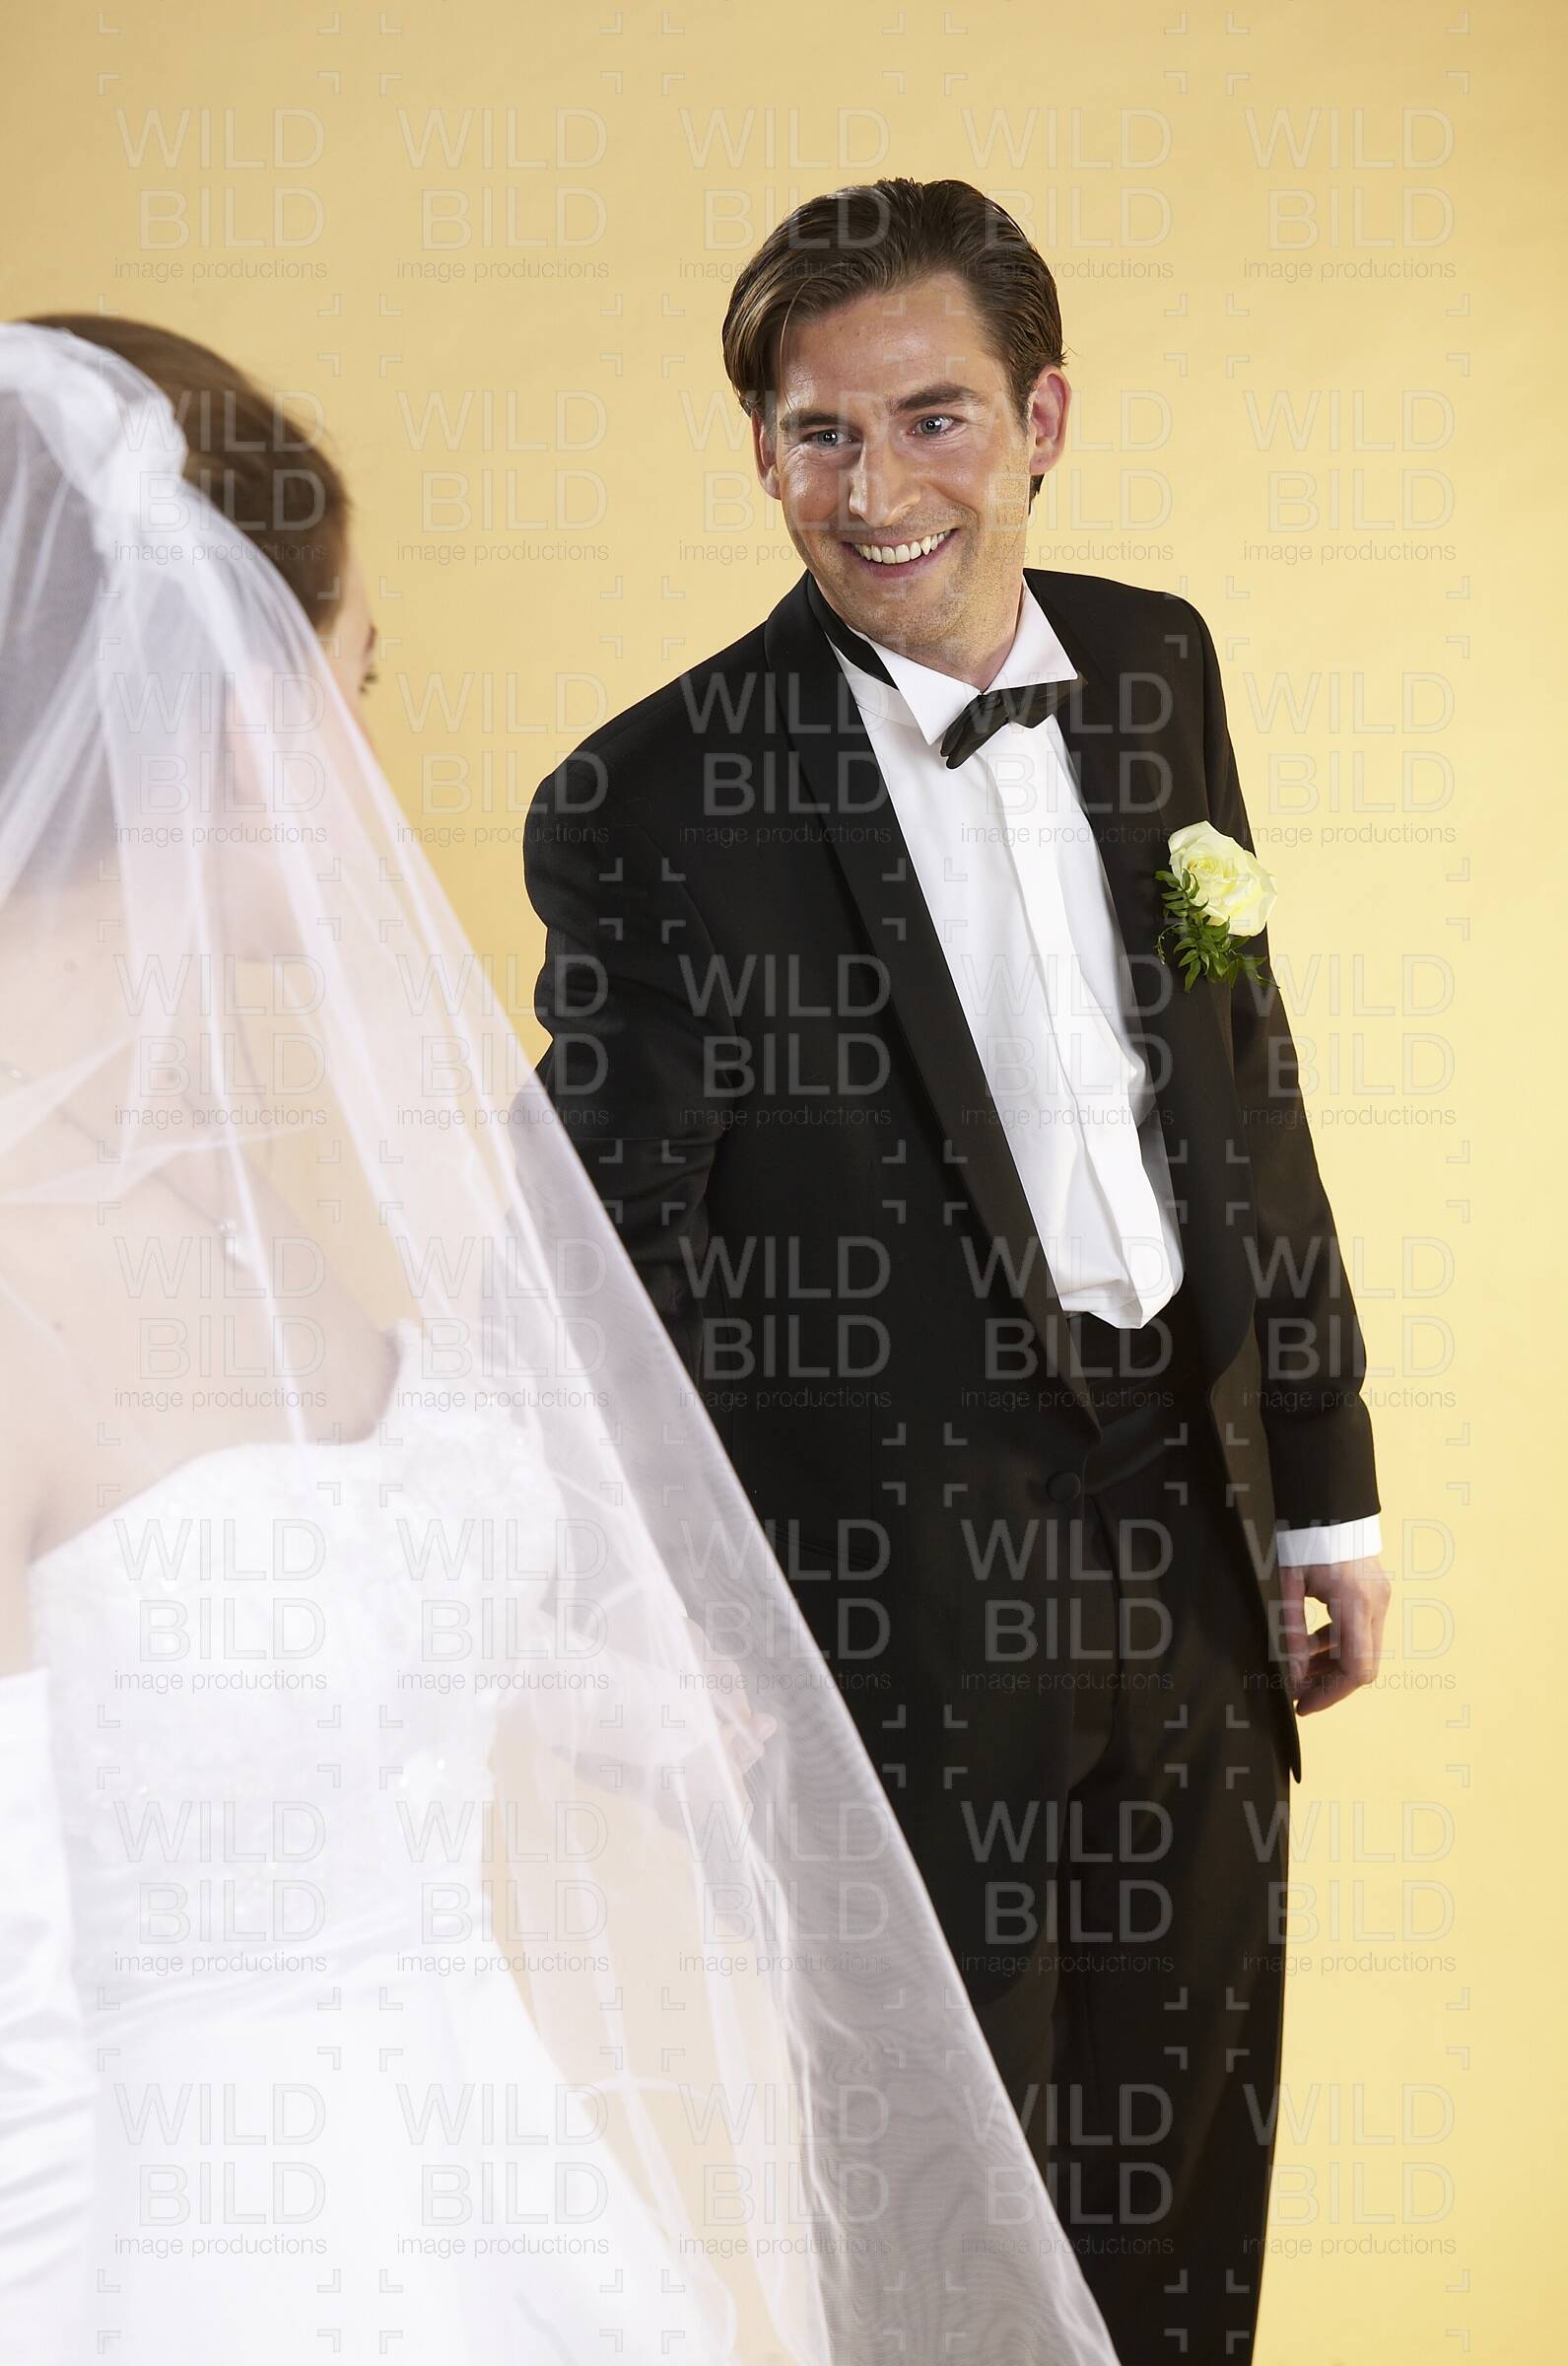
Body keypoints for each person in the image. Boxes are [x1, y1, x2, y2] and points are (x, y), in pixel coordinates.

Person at [0, 317, 1125, 2363]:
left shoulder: (209, 1192)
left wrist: (583, 1690)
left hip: (511, 2225)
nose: (371, 762)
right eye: (357, 680)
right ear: (233, 713)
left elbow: (238, 1669)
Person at [521, 177, 1393, 2363]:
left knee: (1184, 2178)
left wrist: (1323, 1487)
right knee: (928, 2214)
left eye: (932, 418)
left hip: (1189, 1548)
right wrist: (684, 1622)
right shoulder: (651, 794)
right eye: (818, 433)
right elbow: (603, 1262)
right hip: (883, 1602)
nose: (875, 487)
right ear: (761, 454)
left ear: (1042, 420)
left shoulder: (1158, 663)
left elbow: (1243, 1081)